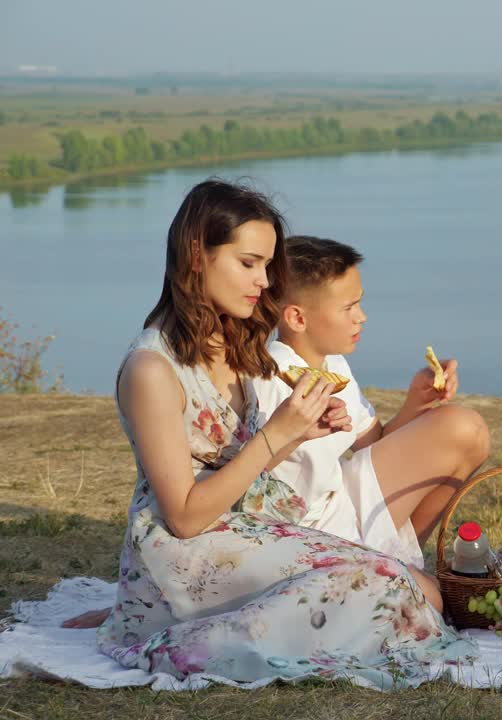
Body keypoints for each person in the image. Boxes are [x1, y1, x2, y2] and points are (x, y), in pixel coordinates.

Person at [94, 179, 471, 684]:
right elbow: (183, 517)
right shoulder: (151, 371)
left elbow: (250, 462)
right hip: (187, 552)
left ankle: (226, 618)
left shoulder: (233, 342)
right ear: (195, 254)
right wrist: (276, 435)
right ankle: (172, 627)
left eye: (268, 266)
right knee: (406, 592)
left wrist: (301, 432)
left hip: (251, 525)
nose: (264, 281)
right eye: (248, 263)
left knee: (420, 590)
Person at [253, 235, 489, 569]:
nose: (361, 317)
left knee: (466, 432)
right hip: (302, 532)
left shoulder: (333, 364)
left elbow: (373, 443)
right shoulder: (271, 375)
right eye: (348, 308)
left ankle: (402, 563)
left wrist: (416, 402)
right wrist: (294, 430)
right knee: (462, 427)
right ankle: (393, 572)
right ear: (297, 319)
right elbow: (248, 475)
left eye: (359, 304)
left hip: (340, 502)